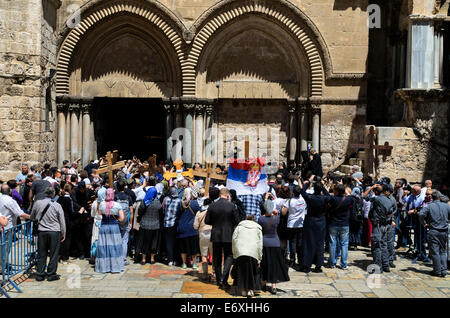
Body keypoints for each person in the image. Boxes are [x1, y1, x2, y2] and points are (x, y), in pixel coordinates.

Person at [205, 188, 240, 288]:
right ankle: (224, 278)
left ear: (220, 195)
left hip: (216, 234)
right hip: (228, 234)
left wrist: (216, 223)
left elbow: (207, 221)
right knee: (229, 256)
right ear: (228, 196)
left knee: (217, 258)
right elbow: (237, 221)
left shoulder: (212, 206)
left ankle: (219, 279)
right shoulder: (231, 206)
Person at [30, 187, 66, 281]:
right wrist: (63, 233)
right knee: (54, 254)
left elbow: (32, 216)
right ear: (53, 194)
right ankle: (51, 274)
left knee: (42, 253)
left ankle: (40, 274)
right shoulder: (57, 205)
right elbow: (62, 221)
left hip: (42, 231)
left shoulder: (37, 203)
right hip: (54, 231)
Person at [299, 177, 331, 273]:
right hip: (321, 222)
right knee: (320, 243)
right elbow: (329, 195)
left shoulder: (310, 197)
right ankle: (318, 265)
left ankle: (307, 265)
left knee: (308, 243)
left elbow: (302, 192)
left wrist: (308, 183)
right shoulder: (324, 198)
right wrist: (323, 187)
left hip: (310, 221)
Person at [258, 198, 289, 294]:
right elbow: (282, 212)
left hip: (265, 243)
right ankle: (274, 286)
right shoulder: (276, 218)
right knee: (274, 264)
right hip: (275, 243)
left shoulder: (261, 219)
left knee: (264, 264)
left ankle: (263, 283)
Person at [363, 184, 397, 273]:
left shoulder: (377, 199)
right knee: (384, 245)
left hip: (378, 225)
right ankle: (386, 266)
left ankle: (378, 267)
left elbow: (364, 196)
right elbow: (392, 211)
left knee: (376, 246)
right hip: (386, 225)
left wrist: (371, 188)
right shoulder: (391, 200)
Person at [419, 190, 450, 278]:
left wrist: (424, 223)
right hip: (443, 231)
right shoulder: (446, 206)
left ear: (432, 198)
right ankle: (443, 270)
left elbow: (421, 214)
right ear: (440, 197)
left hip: (434, 230)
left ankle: (437, 271)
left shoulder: (429, 206)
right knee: (443, 251)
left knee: (435, 251)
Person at [232, 215, 263, 297]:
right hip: (253, 252)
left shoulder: (239, 227)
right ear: (254, 220)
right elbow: (260, 245)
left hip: (241, 251)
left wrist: (235, 254)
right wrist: (259, 258)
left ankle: (243, 291)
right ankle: (251, 291)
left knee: (242, 271)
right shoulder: (258, 228)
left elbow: (234, 240)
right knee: (252, 272)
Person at [95, 188, 125, 273]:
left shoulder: (102, 204)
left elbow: (98, 215)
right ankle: (115, 267)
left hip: (104, 227)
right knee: (114, 247)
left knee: (104, 247)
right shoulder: (117, 204)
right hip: (114, 227)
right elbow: (122, 218)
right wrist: (117, 220)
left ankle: (105, 267)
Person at [327, 184, 354, 270]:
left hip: (333, 224)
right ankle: (343, 264)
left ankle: (332, 263)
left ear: (337, 191)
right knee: (344, 244)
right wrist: (345, 190)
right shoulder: (348, 199)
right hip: (344, 224)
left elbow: (326, 194)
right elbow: (352, 197)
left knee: (332, 243)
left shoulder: (333, 199)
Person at [281, 186, 307, 268]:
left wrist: (283, 207)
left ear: (293, 193)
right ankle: (300, 260)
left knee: (292, 242)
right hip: (301, 224)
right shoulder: (303, 199)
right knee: (299, 243)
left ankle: (292, 260)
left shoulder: (290, 201)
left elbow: (283, 213)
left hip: (291, 224)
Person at [136, 187, 163, 265]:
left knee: (144, 242)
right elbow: (161, 215)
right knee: (154, 242)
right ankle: (152, 258)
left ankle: (143, 259)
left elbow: (140, 212)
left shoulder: (144, 202)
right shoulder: (158, 203)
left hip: (144, 225)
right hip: (155, 225)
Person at [115, 179, 134, 266]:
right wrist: (130, 223)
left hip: (117, 221)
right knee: (124, 241)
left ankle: (116, 258)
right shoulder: (128, 197)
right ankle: (123, 259)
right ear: (124, 187)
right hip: (126, 222)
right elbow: (131, 211)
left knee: (116, 240)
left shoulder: (115, 197)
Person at [194, 196, 213, 280]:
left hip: (203, 234)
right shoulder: (213, 212)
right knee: (214, 254)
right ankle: (215, 273)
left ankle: (205, 274)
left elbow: (195, 226)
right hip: (212, 233)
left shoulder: (199, 212)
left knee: (204, 255)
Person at [163, 187, 182, 266]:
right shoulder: (179, 201)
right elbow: (179, 212)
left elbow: (163, 210)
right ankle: (175, 259)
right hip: (175, 224)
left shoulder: (165, 199)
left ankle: (170, 260)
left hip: (166, 224)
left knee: (168, 242)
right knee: (175, 242)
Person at [57, 183, 75, 264]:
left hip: (59, 220)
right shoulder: (69, 199)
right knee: (67, 239)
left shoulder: (60, 198)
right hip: (67, 221)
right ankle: (65, 257)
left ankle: (59, 255)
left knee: (61, 238)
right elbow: (71, 211)